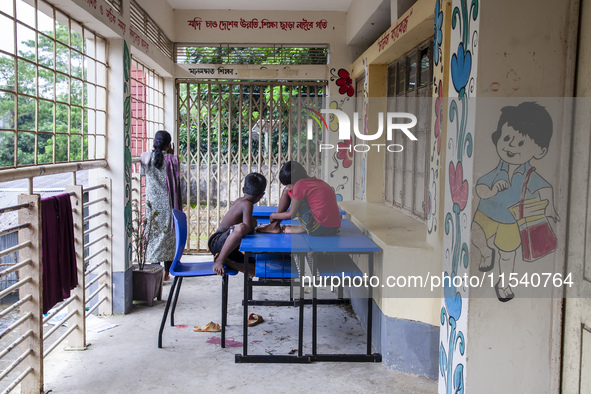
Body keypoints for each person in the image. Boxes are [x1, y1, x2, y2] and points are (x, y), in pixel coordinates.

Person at [471, 102, 558, 301]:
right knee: (476, 236)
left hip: (511, 220)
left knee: (508, 254)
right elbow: (480, 189)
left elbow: (546, 188)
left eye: (521, 143)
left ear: (540, 151)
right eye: (507, 138)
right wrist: (491, 191)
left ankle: (504, 284)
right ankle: (486, 252)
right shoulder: (497, 170)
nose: (510, 146)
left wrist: (550, 209)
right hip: (486, 213)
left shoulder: (529, 174)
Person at [140, 130, 182, 281]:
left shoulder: (146, 158)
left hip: (152, 206)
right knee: (169, 237)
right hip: (169, 204)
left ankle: (154, 271)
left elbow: (142, 172)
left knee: (153, 236)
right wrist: (171, 153)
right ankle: (166, 272)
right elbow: (177, 180)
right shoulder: (173, 160)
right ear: (169, 144)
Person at [257, 161, 341, 235]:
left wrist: (273, 216)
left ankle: (274, 226)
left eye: (288, 184)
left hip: (317, 228)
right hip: (333, 228)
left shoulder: (299, 184)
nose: (287, 186)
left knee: (287, 191)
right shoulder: (317, 182)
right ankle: (301, 228)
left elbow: (291, 214)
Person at [208, 173, 267, 276]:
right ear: (261, 195)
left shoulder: (240, 200)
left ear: (243, 190)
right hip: (217, 242)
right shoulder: (247, 204)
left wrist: (252, 224)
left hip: (229, 248)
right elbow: (246, 228)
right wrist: (253, 223)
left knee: (257, 268)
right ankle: (220, 260)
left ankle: (228, 262)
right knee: (242, 227)